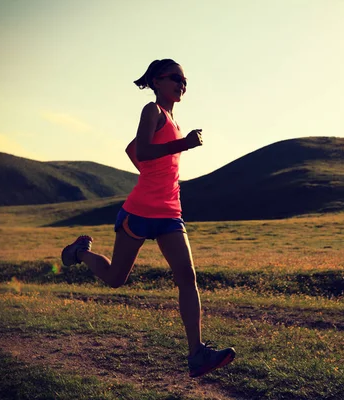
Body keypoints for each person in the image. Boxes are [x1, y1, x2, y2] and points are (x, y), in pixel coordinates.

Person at [61, 59, 235, 378]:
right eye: (175, 79)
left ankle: (197, 353)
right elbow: (140, 149)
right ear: (156, 81)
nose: (181, 85)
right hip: (139, 211)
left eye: (185, 81)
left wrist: (156, 172)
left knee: (187, 276)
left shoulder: (173, 120)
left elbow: (133, 149)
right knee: (116, 278)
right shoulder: (151, 111)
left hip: (170, 211)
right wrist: (182, 146)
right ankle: (79, 252)